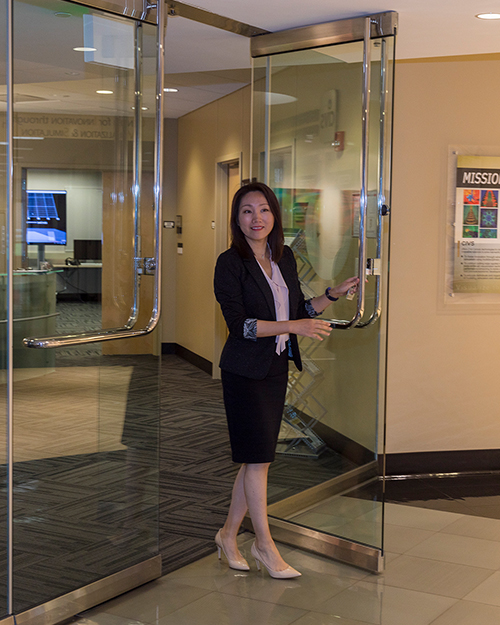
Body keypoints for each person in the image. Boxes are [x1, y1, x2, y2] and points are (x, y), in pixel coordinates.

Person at [213, 182, 359, 579]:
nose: (256, 218)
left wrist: (331, 295)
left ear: (274, 216)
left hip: (275, 368)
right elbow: (240, 325)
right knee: (259, 460)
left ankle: (228, 535)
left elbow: (299, 308)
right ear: (236, 218)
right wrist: (295, 324)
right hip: (244, 372)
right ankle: (263, 543)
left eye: (263, 210)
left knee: (254, 461)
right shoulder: (230, 263)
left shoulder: (285, 258)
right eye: (246, 211)